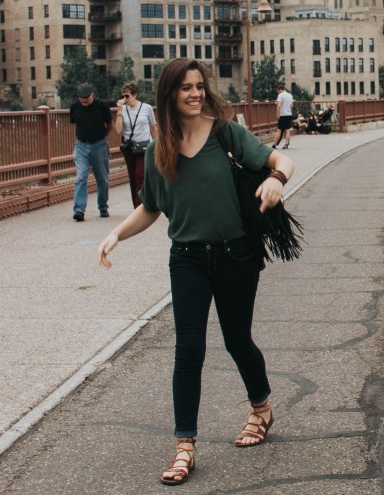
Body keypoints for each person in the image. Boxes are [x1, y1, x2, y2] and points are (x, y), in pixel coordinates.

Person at [97, 59, 294, 486]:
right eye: (184, 88)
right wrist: (116, 234)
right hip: (186, 258)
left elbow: (280, 158)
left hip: (235, 254)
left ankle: (261, 408)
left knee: (237, 340)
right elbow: (150, 208)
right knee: (188, 349)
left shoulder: (226, 133)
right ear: (168, 95)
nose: (194, 94)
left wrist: (277, 178)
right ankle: (184, 444)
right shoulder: (158, 150)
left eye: (199, 86)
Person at [70, 83, 113, 221]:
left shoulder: (101, 106)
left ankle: (103, 207)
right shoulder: (74, 107)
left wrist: (103, 137)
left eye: (86, 98)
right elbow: (74, 123)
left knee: (102, 178)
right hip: (81, 145)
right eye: (81, 98)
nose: (83, 101)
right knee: (81, 177)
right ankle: (79, 210)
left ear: (92, 95)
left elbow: (110, 124)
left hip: (98, 145)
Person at [114, 81, 157, 208]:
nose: (125, 99)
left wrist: (157, 145)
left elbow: (153, 128)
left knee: (140, 176)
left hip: (144, 146)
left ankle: (141, 206)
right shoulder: (123, 109)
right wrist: (119, 110)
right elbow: (118, 130)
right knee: (132, 177)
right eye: (123, 96)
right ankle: (136, 205)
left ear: (135, 95)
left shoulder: (146, 108)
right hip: (129, 147)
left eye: (127, 96)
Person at [271, 83, 294, 149]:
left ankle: (274, 144)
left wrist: (277, 114)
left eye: (278, 91)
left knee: (279, 130)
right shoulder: (290, 95)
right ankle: (286, 144)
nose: (278, 92)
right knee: (287, 130)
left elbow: (279, 106)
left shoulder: (280, 95)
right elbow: (291, 106)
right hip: (289, 114)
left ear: (280, 90)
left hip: (283, 114)